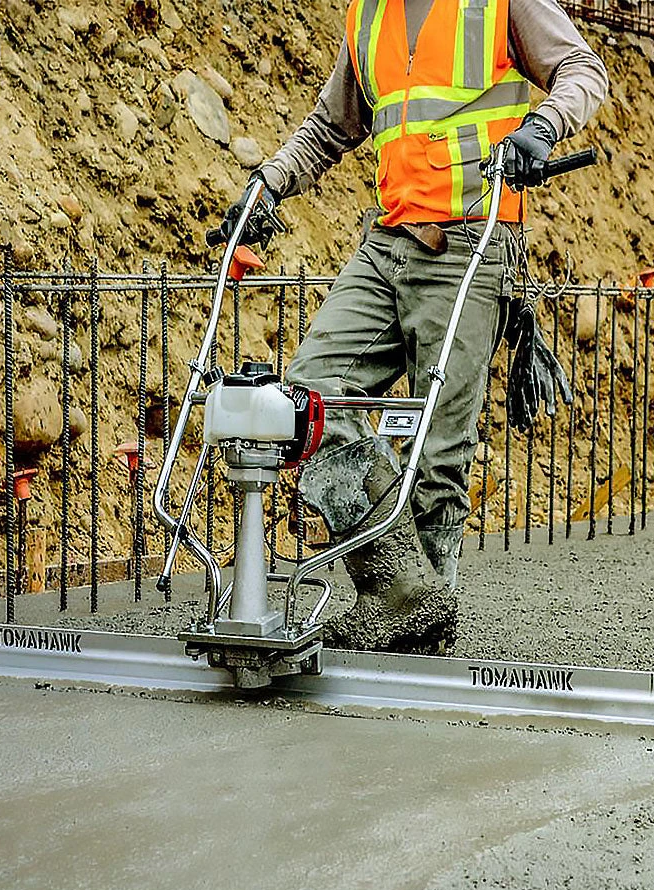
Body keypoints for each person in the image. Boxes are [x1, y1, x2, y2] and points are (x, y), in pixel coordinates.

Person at [218, 0, 608, 653]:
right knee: (310, 399)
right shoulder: (369, 14)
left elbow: (583, 69)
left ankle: (424, 635)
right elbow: (330, 125)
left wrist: (541, 129)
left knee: (440, 449)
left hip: (471, 241)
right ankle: (402, 592)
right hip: (388, 242)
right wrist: (268, 185)